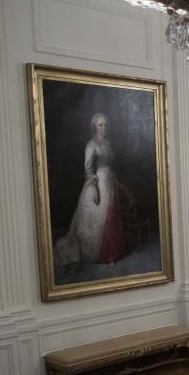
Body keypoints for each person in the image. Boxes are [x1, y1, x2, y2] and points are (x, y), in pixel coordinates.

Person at [54, 112, 127, 271]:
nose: (104, 127)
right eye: (100, 124)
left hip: (110, 184)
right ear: (94, 126)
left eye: (105, 124)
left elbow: (111, 168)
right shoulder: (91, 144)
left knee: (112, 218)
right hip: (97, 183)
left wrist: (119, 185)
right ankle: (98, 255)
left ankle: (112, 254)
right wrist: (94, 189)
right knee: (97, 221)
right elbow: (88, 170)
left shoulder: (108, 143)